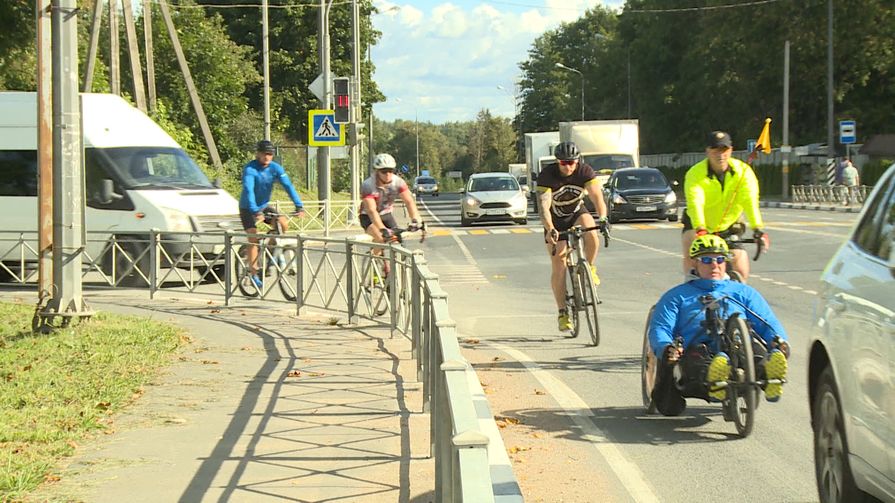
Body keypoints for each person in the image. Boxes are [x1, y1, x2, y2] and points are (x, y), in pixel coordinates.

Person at [648, 234, 790, 416]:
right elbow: (661, 327)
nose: (714, 265)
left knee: (757, 352)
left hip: (738, 346)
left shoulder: (744, 292)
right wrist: (666, 348)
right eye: (706, 260)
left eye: (720, 259)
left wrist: (779, 342)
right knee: (700, 361)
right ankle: (715, 377)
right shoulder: (677, 296)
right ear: (695, 264)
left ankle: (770, 377)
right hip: (698, 349)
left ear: (726, 263)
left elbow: (767, 321)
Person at [537, 141, 609, 332]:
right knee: (559, 263)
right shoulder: (547, 175)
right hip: (555, 220)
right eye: (563, 163)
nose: (568, 166)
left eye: (571, 162)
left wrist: (603, 218)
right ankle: (562, 312)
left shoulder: (585, 171)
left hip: (576, 213)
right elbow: (544, 207)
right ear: (557, 162)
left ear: (577, 161)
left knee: (591, 231)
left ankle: (590, 268)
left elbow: (597, 197)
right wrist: (550, 227)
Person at [681, 131, 769, 281]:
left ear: (731, 150)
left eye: (724, 150)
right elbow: (696, 202)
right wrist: (700, 228)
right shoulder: (695, 173)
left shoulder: (743, 172)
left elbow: (750, 201)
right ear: (708, 151)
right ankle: (691, 286)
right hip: (699, 226)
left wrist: (758, 229)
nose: (720, 155)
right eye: (715, 150)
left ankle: (737, 298)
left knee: (741, 269)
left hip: (730, 224)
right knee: (693, 256)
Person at [239, 140, 305, 288]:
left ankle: (269, 251)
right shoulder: (250, 169)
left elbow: (288, 186)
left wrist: (299, 206)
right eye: (264, 154)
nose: (267, 157)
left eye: (270, 154)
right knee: (253, 236)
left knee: (282, 224)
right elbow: (249, 191)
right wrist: (255, 211)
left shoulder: (275, 168)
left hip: (264, 206)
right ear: (258, 153)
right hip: (248, 208)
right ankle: (254, 272)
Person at [359, 153, 423, 275]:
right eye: (383, 171)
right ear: (377, 171)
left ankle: (397, 274)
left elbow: (409, 201)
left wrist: (416, 219)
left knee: (398, 239)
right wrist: (382, 229)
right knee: (380, 237)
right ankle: (373, 268)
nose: (387, 174)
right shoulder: (368, 185)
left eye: (390, 170)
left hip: (386, 215)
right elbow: (372, 210)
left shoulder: (398, 182)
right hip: (368, 217)